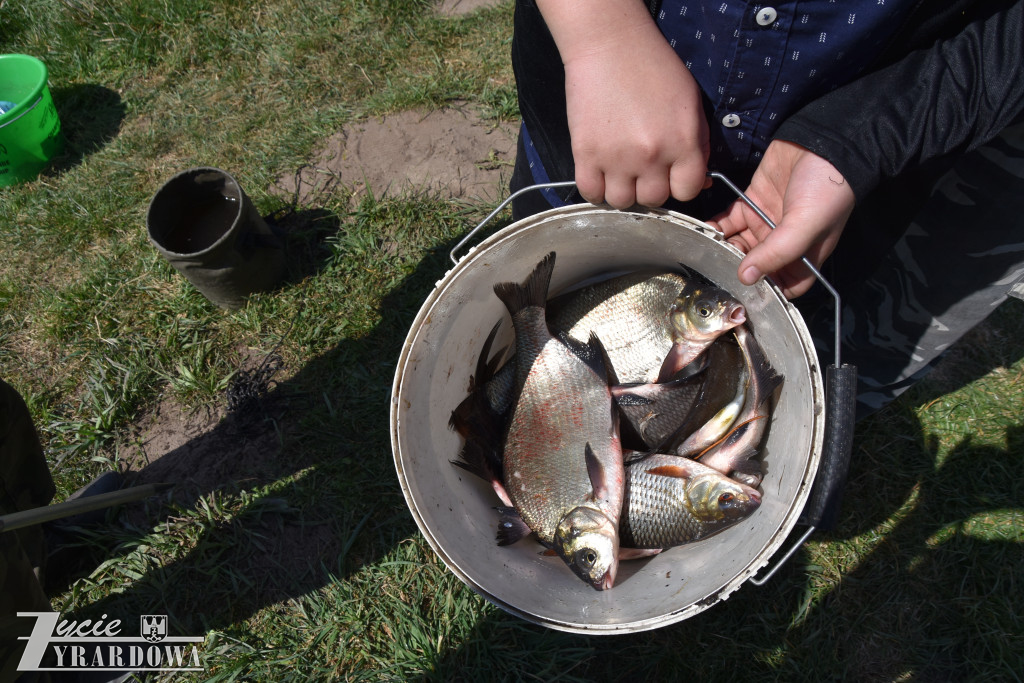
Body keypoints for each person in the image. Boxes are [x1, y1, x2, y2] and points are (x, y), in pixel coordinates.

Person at [509, 0, 1024, 418]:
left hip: (849, 165)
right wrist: (600, 34)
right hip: (591, 129)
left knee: (796, 313)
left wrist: (862, 135)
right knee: (552, 258)